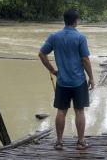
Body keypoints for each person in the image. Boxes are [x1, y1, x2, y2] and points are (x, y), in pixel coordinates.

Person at [39, 8, 95, 150]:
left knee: (61, 111)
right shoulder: (80, 37)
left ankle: (59, 142)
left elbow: (41, 54)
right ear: (76, 21)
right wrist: (91, 78)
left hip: (62, 81)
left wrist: (52, 70)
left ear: (64, 20)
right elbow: (85, 60)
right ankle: (81, 142)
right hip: (78, 81)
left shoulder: (54, 36)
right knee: (79, 111)